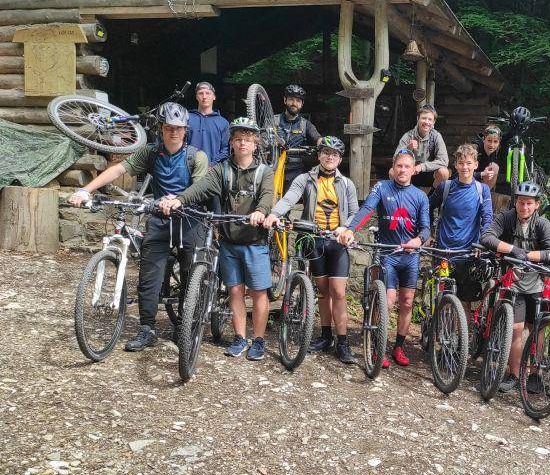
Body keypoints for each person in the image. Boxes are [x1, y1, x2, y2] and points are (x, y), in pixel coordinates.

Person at [68, 102, 209, 351]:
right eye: (169, 127)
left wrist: (178, 199)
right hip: (159, 218)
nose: (173, 132)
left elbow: (199, 188)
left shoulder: (196, 156)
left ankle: (185, 325)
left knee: (191, 273)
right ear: (161, 129)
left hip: (189, 220)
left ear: (185, 130)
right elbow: (119, 169)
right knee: (149, 275)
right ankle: (147, 329)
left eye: (178, 128)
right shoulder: (150, 153)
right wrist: (85, 190)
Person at [159, 118, 274, 360]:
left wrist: (260, 211)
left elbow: (267, 196)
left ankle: (259, 340)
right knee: (235, 291)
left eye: (248, 140)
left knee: (258, 293)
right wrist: (179, 199)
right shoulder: (222, 170)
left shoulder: (264, 172)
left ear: (255, 145)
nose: (242, 144)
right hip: (229, 242)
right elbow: (200, 187)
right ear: (231, 143)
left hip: (255, 243)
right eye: (238, 139)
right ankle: (240, 338)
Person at [264, 137, 359, 364]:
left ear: (340, 159)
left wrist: (347, 228)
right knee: (323, 291)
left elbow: (355, 212)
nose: (330, 157)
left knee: (338, 292)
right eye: (326, 152)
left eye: (334, 154)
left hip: (337, 242)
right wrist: (274, 214)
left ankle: (342, 342)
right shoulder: (305, 179)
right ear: (319, 155)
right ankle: (326, 336)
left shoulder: (347, 184)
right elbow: (289, 199)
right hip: (314, 240)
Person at [337, 150, 431, 367]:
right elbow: (367, 209)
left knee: (407, 301)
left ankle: (399, 346)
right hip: (387, 253)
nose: (402, 170)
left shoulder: (420, 196)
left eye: (407, 166)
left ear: (413, 170)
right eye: (399, 166)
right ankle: (378, 346)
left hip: (410, 256)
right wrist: (351, 229)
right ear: (393, 168)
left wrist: (417, 240)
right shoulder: (382, 187)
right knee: (387, 301)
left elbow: (426, 228)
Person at [480, 181, 550, 394]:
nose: (524, 207)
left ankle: (535, 374)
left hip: (536, 284)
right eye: (521, 202)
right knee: (515, 329)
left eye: (529, 203)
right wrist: (513, 250)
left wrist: (528, 255)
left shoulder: (542, 223)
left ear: (537, 205)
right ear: (515, 202)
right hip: (513, 282)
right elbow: (486, 237)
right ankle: (514, 374)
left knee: (537, 329)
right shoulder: (506, 218)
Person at [429, 143, 494, 305]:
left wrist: (483, 243)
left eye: (469, 163)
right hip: (444, 252)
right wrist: (428, 232)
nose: (465, 167)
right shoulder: (445, 187)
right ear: (456, 165)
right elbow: (427, 208)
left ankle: (462, 324)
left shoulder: (482, 189)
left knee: (466, 303)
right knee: (441, 298)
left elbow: (487, 218)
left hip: (469, 253)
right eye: (461, 163)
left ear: (476, 165)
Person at [393, 104, 450, 189]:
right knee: (392, 172)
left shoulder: (436, 136)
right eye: (424, 118)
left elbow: (444, 161)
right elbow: (395, 159)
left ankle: (434, 195)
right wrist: (408, 149)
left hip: (430, 173)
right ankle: (402, 194)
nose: (427, 122)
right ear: (418, 119)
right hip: (411, 173)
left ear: (433, 122)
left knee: (444, 172)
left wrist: (422, 167)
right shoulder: (408, 136)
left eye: (430, 119)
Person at [277, 84, 322, 189]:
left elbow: (317, 137)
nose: (294, 103)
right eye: (291, 99)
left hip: (295, 169)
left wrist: (322, 143)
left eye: (298, 101)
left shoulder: (305, 124)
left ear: (302, 104)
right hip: (274, 166)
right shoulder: (273, 120)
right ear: (285, 100)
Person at [187, 81, 230, 165]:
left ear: (214, 97)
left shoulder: (223, 122)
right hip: (188, 167)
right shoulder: (187, 118)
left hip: (213, 168)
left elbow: (226, 149)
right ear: (196, 97)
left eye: (208, 93)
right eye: (200, 93)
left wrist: (213, 164)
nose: (204, 97)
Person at [473, 124, 508, 213]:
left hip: (482, 182)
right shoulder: (474, 149)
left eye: (495, 142)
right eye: (489, 140)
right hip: (466, 181)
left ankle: (483, 198)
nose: (492, 145)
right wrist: (481, 174)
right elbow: (461, 173)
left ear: (499, 143)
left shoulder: (496, 150)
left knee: (494, 167)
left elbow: (508, 135)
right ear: (484, 139)